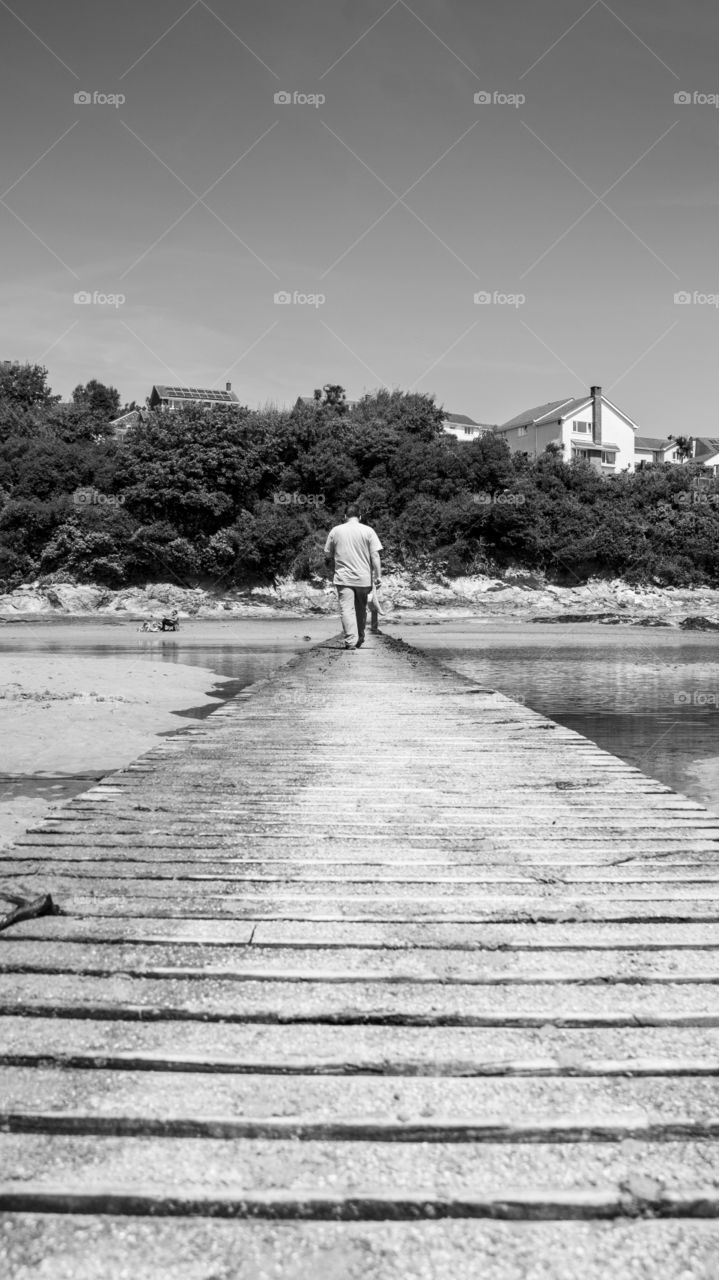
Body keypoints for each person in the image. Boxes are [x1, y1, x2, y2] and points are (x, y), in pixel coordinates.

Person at [324, 503, 382, 649]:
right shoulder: (368, 531)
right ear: (360, 516)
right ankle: (360, 638)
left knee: (346, 609)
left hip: (343, 578)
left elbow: (328, 554)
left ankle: (351, 641)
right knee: (361, 608)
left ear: (345, 516)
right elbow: (375, 555)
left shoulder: (335, 531)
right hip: (363, 579)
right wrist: (378, 576)